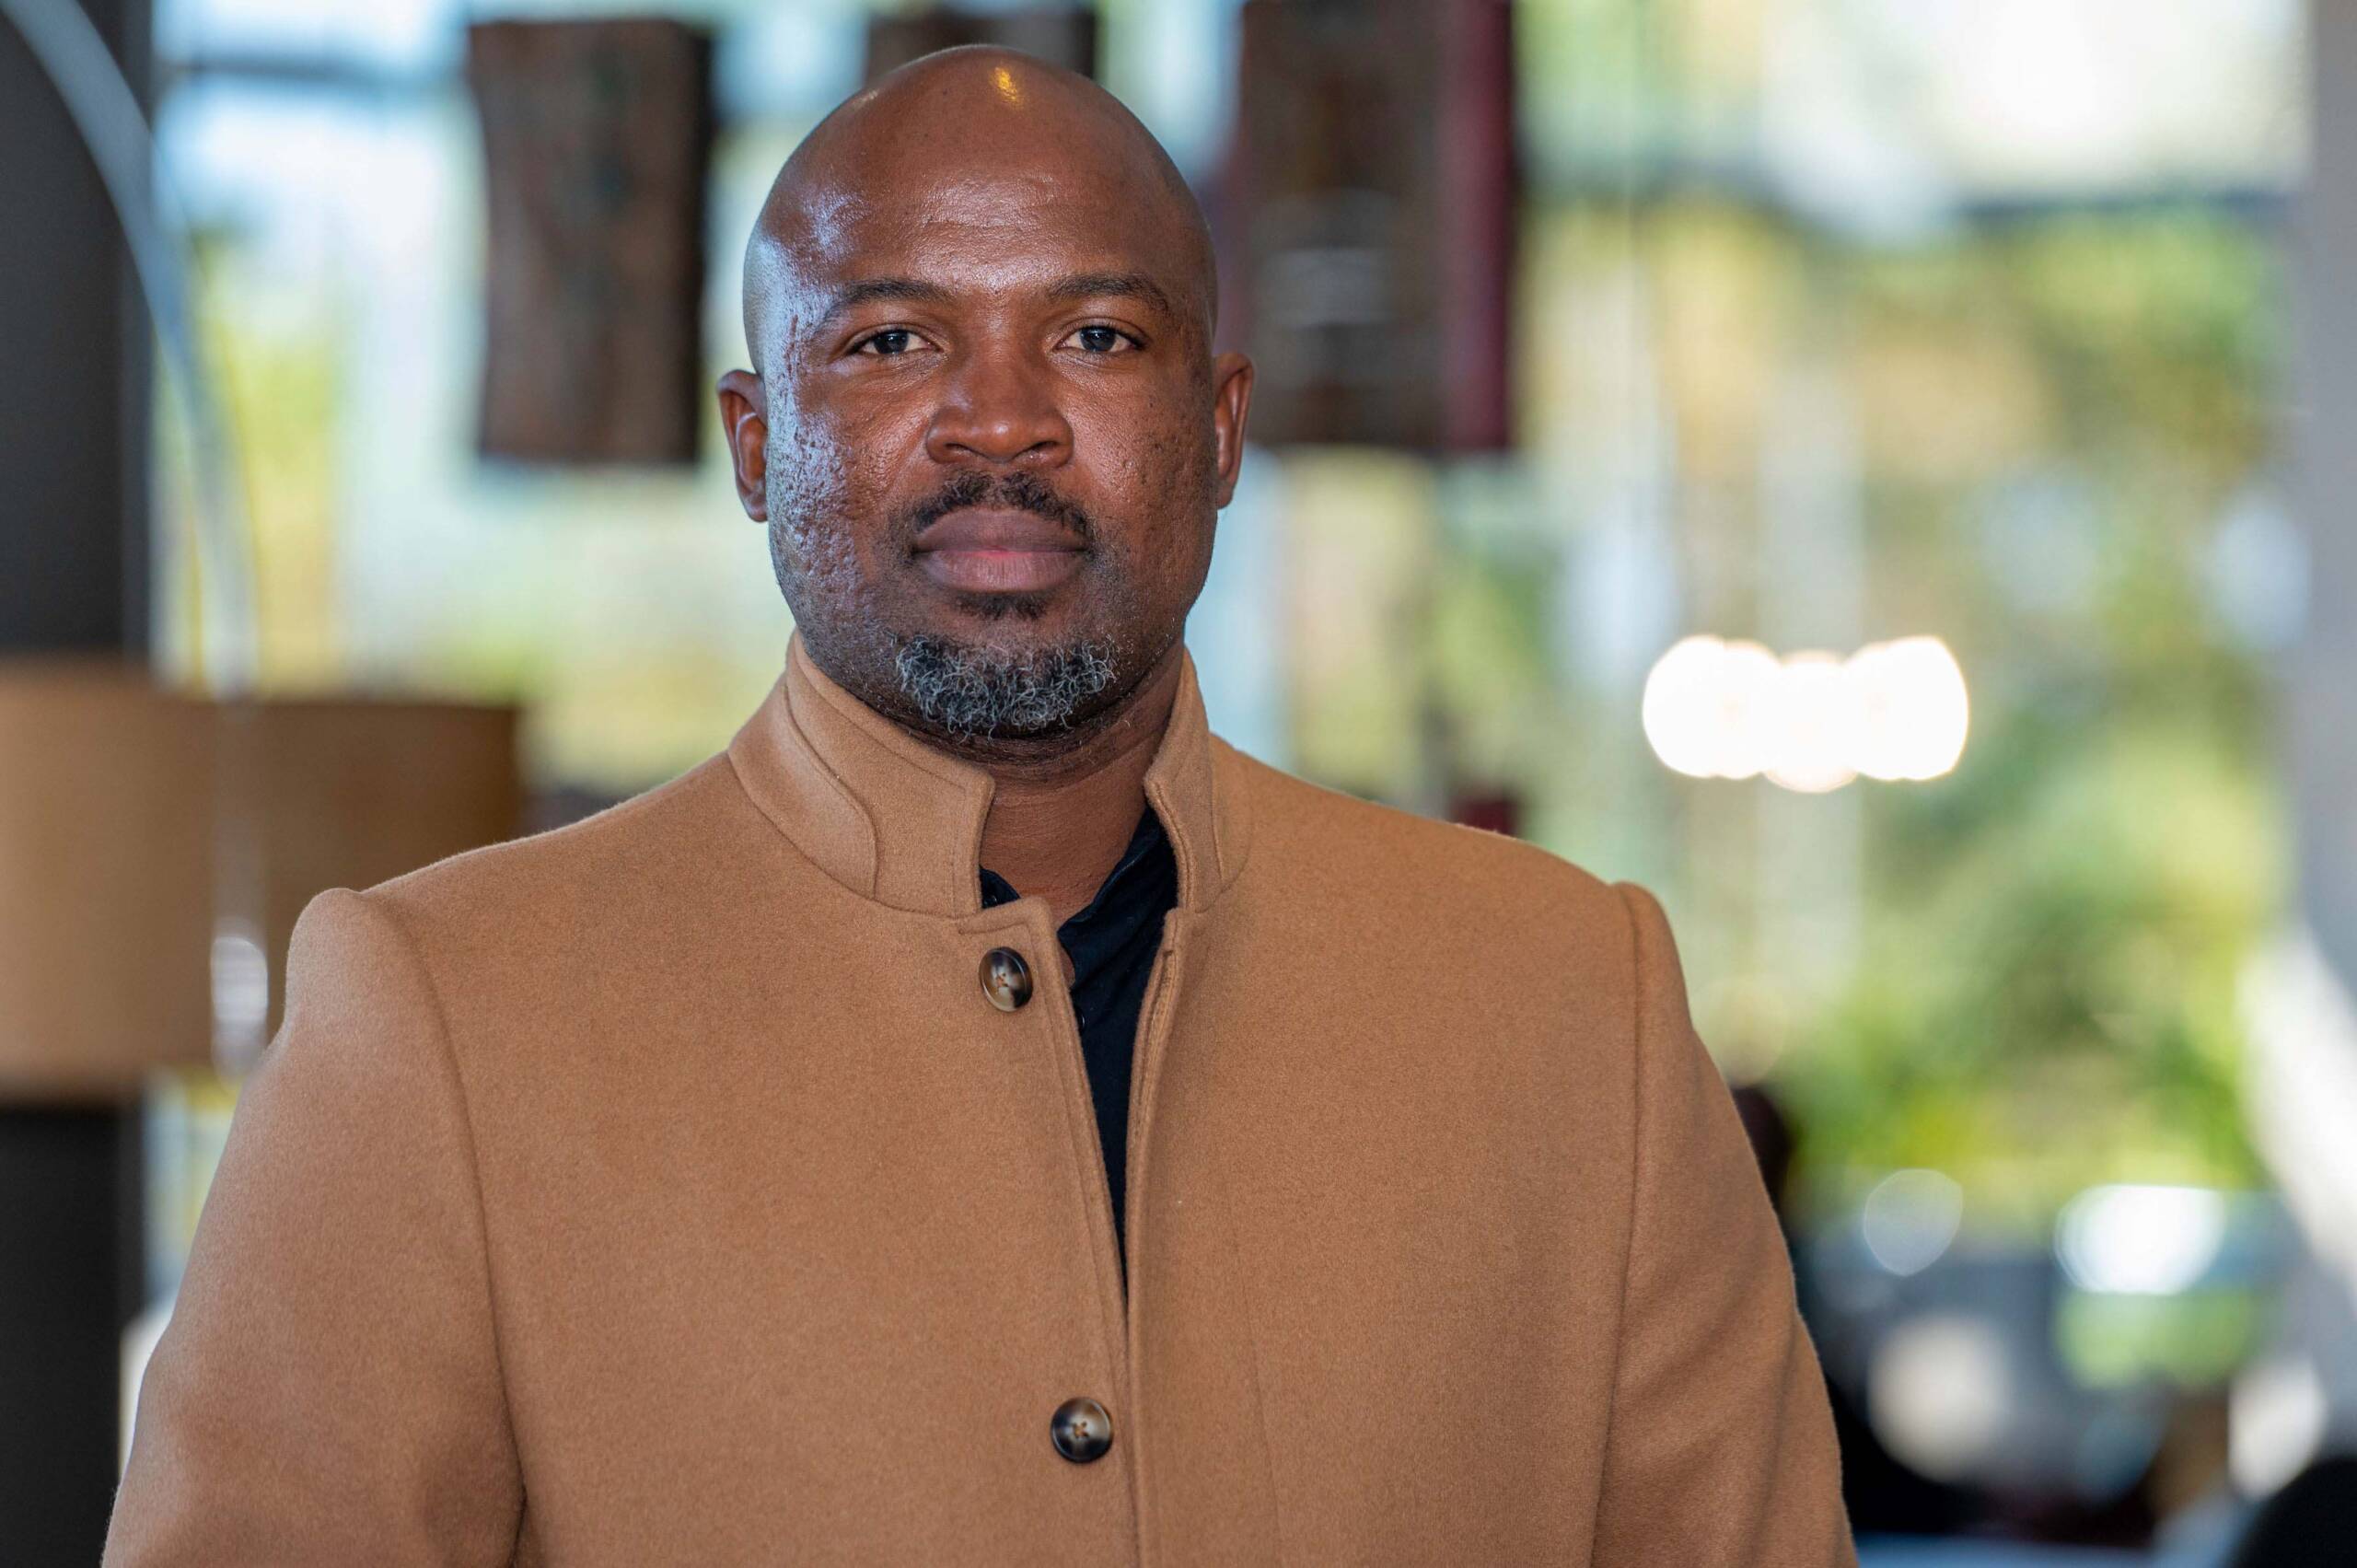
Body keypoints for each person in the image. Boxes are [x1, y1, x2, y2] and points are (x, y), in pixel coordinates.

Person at [104, 46, 1853, 1566]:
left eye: (1094, 335)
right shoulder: (438, 1022)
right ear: (755, 444)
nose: (999, 420)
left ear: (1220, 429)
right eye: (891, 339)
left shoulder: (1575, 1004)